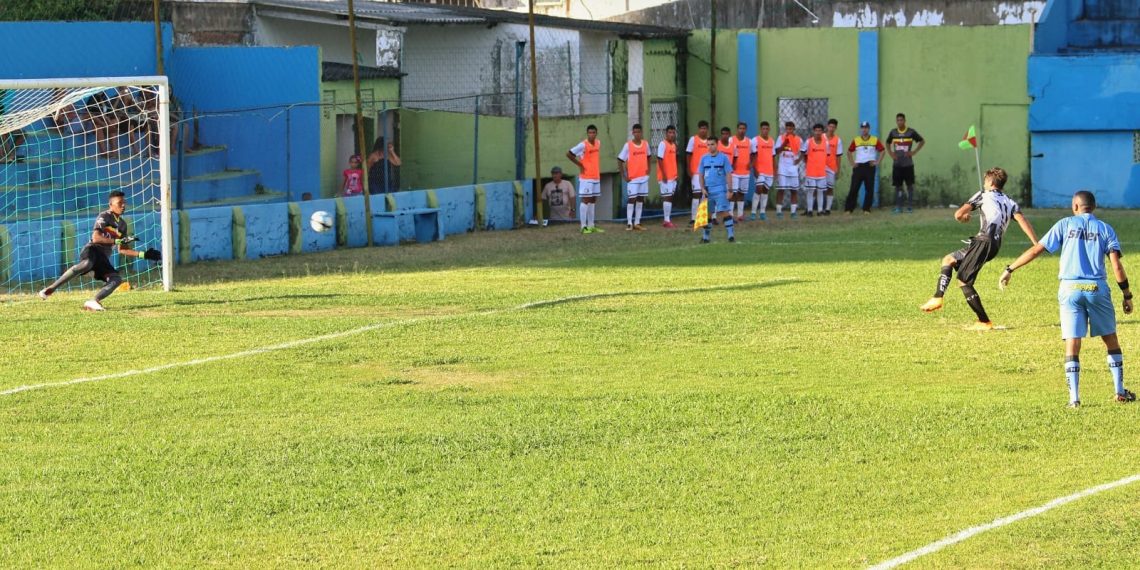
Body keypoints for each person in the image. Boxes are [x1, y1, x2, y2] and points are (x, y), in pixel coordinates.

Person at [999, 190, 1136, 407]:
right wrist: (1127, 294)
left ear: (1075, 207)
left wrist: (1010, 268)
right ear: (1093, 207)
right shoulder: (1105, 229)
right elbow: (1116, 266)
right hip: (1096, 288)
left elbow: (1037, 250)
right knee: (1110, 340)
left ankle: (1074, 400)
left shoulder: (1065, 225)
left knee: (1072, 343)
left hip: (1069, 288)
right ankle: (1119, 391)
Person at [919, 167, 1038, 330]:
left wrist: (964, 217)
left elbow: (958, 214)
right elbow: (1022, 220)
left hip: (983, 241)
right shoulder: (1010, 201)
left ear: (989, 181)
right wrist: (1035, 243)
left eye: (985, 181)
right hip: (992, 244)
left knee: (963, 280)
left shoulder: (983, 195)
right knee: (949, 259)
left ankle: (983, 321)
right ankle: (937, 297)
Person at [38, 190, 160, 311]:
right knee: (86, 264)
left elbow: (122, 249)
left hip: (103, 259)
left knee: (116, 279)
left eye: (124, 203)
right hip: (92, 250)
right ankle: (51, 289)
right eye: (119, 203)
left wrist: (143, 254)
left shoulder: (122, 225)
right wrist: (116, 241)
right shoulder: (104, 216)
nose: (123, 206)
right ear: (111, 205)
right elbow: (96, 238)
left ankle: (93, 301)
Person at [567, 124, 604, 234]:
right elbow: (569, 154)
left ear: (596, 133)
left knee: (593, 200)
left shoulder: (598, 143)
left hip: (596, 176)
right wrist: (580, 165)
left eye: (593, 132)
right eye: (589, 133)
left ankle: (591, 225)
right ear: (587, 133)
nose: (591, 134)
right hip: (586, 177)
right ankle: (583, 226)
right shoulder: (583, 145)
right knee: (586, 200)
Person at [885, 112, 924, 213]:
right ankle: (898, 207)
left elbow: (922, 141)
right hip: (897, 164)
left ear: (904, 121)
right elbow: (887, 142)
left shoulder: (911, 132)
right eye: (898, 120)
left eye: (901, 120)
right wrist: (891, 153)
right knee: (898, 186)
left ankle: (910, 206)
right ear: (896, 121)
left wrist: (914, 152)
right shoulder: (893, 132)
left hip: (908, 164)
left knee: (910, 186)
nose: (899, 122)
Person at [698, 137, 734, 243]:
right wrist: (702, 188)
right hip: (708, 191)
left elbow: (728, 174)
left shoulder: (724, 158)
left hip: (720, 189)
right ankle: (706, 237)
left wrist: (730, 190)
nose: (710, 146)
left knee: (724, 211)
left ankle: (731, 236)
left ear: (717, 144)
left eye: (712, 144)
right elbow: (700, 175)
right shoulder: (703, 158)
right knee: (707, 214)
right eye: (708, 144)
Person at [845, 121, 884, 214]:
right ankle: (849, 209)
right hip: (858, 167)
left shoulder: (874, 139)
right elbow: (849, 152)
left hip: (869, 166)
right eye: (862, 127)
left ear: (869, 129)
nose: (864, 129)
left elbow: (882, 150)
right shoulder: (856, 140)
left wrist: (877, 162)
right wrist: (852, 163)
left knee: (869, 188)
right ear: (861, 129)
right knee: (854, 188)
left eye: (866, 127)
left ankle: (866, 209)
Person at [618, 123, 651, 231]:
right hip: (632, 178)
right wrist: (623, 175)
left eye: (638, 132)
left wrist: (648, 169)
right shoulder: (628, 145)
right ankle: (629, 223)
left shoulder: (645, 144)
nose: (637, 134)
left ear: (641, 133)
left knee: (641, 199)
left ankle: (637, 222)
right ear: (633, 133)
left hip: (643, 177)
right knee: (632, 199)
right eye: (635, 132)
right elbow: (620, 159)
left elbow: (649, 156)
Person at [773, 121, 802, 219]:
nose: (789, 131)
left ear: (794, 129)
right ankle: (779, 212)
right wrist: (784, 143)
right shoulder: (781, 138)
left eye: (790, 129)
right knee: (781, 189)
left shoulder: (798, 139)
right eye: (787, 129)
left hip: (793, 168)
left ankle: (793, 212)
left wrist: (799, 160)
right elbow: (776, 151)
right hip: (783, 167)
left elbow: (803, 151)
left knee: (793, 190)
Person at [801, 124, 829, 218]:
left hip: (821, 172)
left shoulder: (826, 143)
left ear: (822, 132)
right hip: (811, 172)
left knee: (820, 191)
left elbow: (827, 155)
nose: (818, 132)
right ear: (813, 131)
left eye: (820, 130)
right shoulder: (808, 142)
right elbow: (803, 153)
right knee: (810, 191)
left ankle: (820, 211)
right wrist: (808, 163)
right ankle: (809, 210)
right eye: (816, 130)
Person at [686, 120, 711, 222]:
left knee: (705, 195)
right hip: (696, 172)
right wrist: (689, 169)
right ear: (698, 129)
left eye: (705, 128)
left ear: (707, 130)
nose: (703, 130)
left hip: (708, 172)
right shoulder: (693, 139)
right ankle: (693, 217)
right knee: (696, 194)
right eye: (701, 128)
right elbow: (688, 154)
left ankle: (702, 217)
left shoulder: (710, 141)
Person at [750, 121, 776, 221]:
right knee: (758, 189)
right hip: (759, 170)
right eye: (763, 129)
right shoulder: (755, 140)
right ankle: (753, 213)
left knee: (765, 191)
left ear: (769, 129)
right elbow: (752, 156)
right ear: (760, 129)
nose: (765, 130)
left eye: (766, 129)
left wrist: (775, 169)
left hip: (769, 170)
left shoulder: (771, 141)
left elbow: (773, 156)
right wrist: (754, 169)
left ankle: (762, 212)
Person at [730, 122, 754, 221]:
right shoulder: (731, 140)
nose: (742, 130)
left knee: (741, 193)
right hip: (734, 172)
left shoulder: (749, 141)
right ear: (737, 129)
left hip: (745, 172)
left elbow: (753, 154)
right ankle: (730, 215)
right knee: (733, 193)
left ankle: (740, 215)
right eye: (740, 128)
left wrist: (751, 164)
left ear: (746, 130)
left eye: (744, 128)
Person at [657, 125, 679, 228]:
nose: (671, 134)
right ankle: (666, 220)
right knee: (667, 197)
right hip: (665, 177)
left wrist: (675, 174)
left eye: (673, 132)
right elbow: (659, 159)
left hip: (673, 176)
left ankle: (667, 219)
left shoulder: (674, 145)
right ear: (666, 133)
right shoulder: (662, 144)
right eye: (669, 132)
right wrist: (664, 174)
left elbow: (673, 161)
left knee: (670, 197)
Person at [823, 118, 842, 215]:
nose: (831, 128)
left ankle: (828, 209)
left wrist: (838, 169)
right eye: (830, 126)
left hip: (831, 166)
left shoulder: (837, 140)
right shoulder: (821, 137)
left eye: (833, 127)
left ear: (836, 128)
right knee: (816, 187)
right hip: (820, 166)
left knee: (829, 188)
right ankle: (811, 209)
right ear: (827, 126)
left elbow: (839, 156)